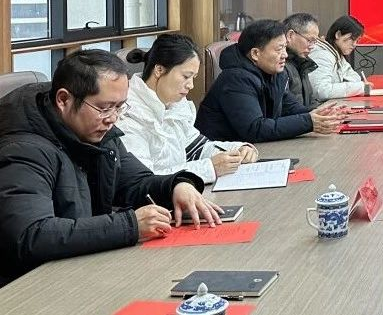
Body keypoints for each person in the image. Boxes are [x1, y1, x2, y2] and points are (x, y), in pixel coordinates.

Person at [0, 50, 221, 287]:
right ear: (63, 100)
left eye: (119, 107)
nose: (113, 118)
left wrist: (176, 185)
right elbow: (32, 235)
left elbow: (135, 182)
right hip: (29, 285)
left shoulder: (97, 132)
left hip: (80, 267)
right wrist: (129, 226)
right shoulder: (23, 149)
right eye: (105, 108)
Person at [116, 34, 258, 185]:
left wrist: (238, 149)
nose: (191, 85)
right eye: (186, 76)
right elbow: (144, 180)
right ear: (159, 69)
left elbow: (197, 148)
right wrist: (210, 168)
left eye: (193, 78)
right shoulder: (126, 113)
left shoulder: (174, 104)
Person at [195, 19, 342, 143]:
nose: (285, 55)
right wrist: (308, 122)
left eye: (285, 48)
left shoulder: (274, 73)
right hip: (223, 156)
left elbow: (291, 108)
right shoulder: (235, 79)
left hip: (255, 149)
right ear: (255, 53)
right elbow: (255, 129)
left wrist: (321, 115)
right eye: (279, 49)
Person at [309, 15, 376, 100]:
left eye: (357, 40)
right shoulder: (322, 55)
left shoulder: (336, 54)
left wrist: (359, 86)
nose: (354, 44)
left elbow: (356, 79)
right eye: (352, 39)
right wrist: (359, 87)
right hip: (318, 107)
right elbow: (321, 91)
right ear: (338, 35)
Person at [282, 13, 321, 111]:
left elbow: (310, 102)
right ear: (290, 35)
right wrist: (311, 116)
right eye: (309, 40)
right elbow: (286, 109)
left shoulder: (302, 63)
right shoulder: (280, 65)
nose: (312, 46)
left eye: (314, 42)